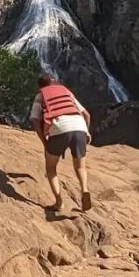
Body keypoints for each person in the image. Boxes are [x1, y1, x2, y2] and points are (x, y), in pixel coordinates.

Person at [30, 74, 92, 213]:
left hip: (59, 128)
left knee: (51, 168)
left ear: (40, 86)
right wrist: (86, 132)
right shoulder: (66, 91)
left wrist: (45, 143)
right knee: (80, 167)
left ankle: (59, 202)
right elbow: (87, 115)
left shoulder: (40, 96)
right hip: (79, 126)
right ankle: (84, 189)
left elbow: (35, 120)